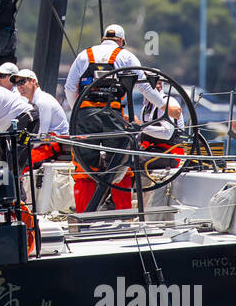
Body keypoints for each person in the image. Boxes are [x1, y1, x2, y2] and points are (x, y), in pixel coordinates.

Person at [63, 23, 171, 212]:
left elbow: (70, 88)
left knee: (84, 166)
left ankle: (84, 215)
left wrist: (80, 112)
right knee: (121, 163)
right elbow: (145, 87)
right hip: (113, 116)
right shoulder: (126, 56)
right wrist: (165, 106)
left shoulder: (83, 56)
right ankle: (123, 213)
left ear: (103, 38)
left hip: (85, 115)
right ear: (121, 41)